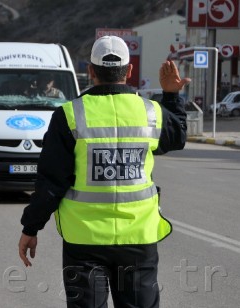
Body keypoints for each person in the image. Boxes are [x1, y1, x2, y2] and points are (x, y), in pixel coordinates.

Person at [18, 36, 190, 307]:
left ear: (90, 70)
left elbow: (51, 182)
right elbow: (177, 136)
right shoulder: (151, 113)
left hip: (84, 242)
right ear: (129, 70)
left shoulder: (69, 115)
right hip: (138, 239)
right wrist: (171, 96)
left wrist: (31, 227)